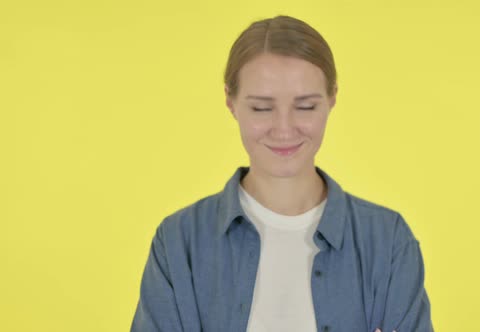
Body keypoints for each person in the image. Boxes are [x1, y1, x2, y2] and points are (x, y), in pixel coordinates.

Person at [131, 15, 433, 332]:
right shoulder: (179, 242)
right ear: (230, 102)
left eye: (305, 107)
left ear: (332, 98)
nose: (284, 129)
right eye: (262, 108)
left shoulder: (388, 242)